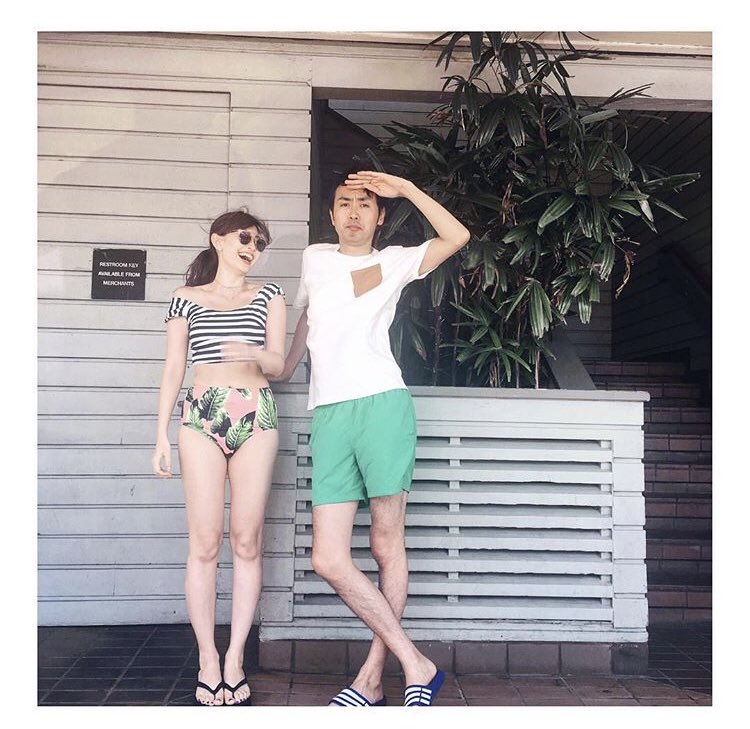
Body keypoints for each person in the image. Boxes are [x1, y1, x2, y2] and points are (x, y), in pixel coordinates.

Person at [276, 170, 470, 707]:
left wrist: (406, 189)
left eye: (365, 203)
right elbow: (310, 316)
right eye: (345, 203)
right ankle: (417, 663)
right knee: (327, 557)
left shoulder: (394, 261)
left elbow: (457, 236)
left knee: (386, 544)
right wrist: (287, 366)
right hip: (330, 413)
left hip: (382, 404)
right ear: (332, 214)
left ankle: (371, 678)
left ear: (380, 216)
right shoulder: (315, 258)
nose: (354, 212)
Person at [151, 209, 286, 706]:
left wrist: (251, 351)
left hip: (256, 411)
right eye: (244, 238)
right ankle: (208, 658)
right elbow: (174, 368)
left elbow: (278, 363)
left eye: (260, 243)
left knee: (247, 542)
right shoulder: (185, 298)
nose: (252, 248)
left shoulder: (269, 295)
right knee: (205, 543)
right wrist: (160, 434)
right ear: (218, 240)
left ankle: (235, 657)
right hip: (201, 414)